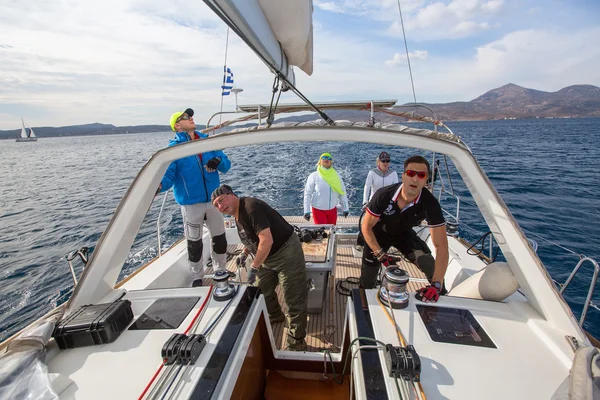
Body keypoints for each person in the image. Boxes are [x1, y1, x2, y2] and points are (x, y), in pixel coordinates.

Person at [211, 184, 308, 351]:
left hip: (286, 252)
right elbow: (252, 237)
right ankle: (275, 316)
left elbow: (266, 240)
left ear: (232, 194)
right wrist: (244, 252)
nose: (220, 206)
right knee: (261, 289)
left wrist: (254, 267)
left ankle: (296, 342)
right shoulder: (236, 215)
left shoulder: (250, 207)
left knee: (293, 296)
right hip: (266, 257)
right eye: (216, 205)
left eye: (221, 200)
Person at [360, 155, 449, 303]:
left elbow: (442, 247)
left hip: (404, 234)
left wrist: (437, 285)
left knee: (428, 263)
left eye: (421, 175)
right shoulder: (383, 195)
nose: (415, 179)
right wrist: (381, 254)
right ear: (403, 176)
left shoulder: (430, 203)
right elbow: (366, 226)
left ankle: (440, 297)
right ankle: (364, 304)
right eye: (410, 173)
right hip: (378, 234)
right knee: (368, 275)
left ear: (426, 179)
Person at [157, 108, 231, 284]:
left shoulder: (207, 142)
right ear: (177, 125)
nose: (191, 118)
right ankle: (197, 276)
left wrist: (218, 161)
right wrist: (157, 187)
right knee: (194, 243)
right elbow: (168, 177)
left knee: (219, 238)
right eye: (186, 117)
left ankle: (220, 270)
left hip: (214, 202)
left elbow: (226, 166)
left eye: (191, 116)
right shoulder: (174, 149)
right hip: (191, 205)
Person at [356, 151, 400, 249]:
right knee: (367, 223)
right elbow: (367, 187)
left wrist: (396, 204)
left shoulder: (393, 173)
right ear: (378, 161)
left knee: (386, 224)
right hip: (374, 202)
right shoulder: (372, 173)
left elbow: (396, 189)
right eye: (383, 160)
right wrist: (365, 201)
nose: (385, 163)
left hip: (388, 204)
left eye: (387, 161)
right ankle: (360, 243)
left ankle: (382, 245)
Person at [303, 153, 350, 224]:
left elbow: (342, 192)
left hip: (332, 210)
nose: (327, 159)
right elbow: (308, 193)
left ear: (331, 162)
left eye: (329, 158)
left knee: (331, 232)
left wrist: (345, 209)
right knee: (323, 232)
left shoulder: (337, 176)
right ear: (320, 161)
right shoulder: (314, 176)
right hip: (318, 210)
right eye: (324, 157)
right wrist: (306, 211)